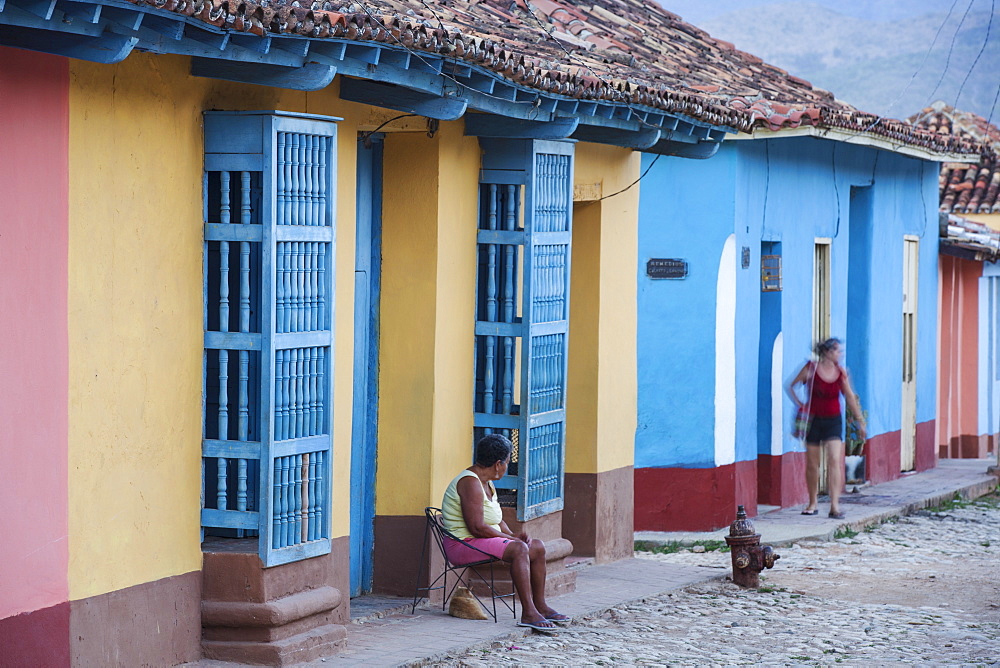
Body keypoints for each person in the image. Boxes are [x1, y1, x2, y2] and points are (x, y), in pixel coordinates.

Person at [441, 433, 568, 631]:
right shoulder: (470, 482)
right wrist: (511, 540)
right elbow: (477, 527)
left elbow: (497, 520)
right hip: (462, 544)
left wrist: (513, 534)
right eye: (507, 462)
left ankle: (540, 605)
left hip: (479, 541)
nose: (507, 467)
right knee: (518, 549)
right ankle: (528, 612)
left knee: (537, 547)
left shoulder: (487, 483)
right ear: (498, 463)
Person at [785, 338, 866, 519]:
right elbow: (790, 386)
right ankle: (812, 502)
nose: (840, 354)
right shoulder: (810, 369)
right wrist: (800, 404)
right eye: (838, 351)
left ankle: (834, 505)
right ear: (828, 352)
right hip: (813, 421)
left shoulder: (840, 372)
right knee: (813, 464)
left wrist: (860, 421)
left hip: (833, 421)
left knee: (834, 459)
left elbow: (850, 397)